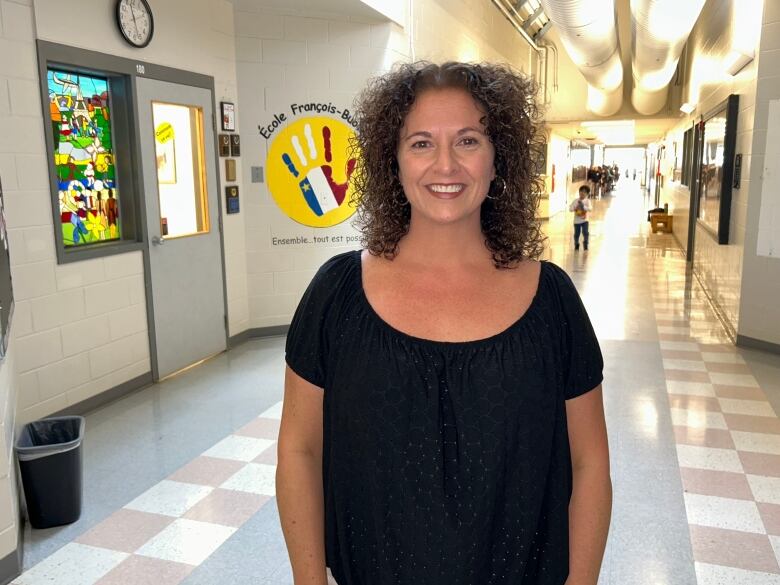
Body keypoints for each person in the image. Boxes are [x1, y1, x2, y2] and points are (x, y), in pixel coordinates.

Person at [277, 61, 611, 585]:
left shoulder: (552, 302)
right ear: (393, 160)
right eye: (421, 143)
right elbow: (299, 448)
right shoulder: (336, 294)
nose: (446, 165)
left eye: (469, 140)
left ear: (500, 158)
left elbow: (590, 463)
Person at [569, 185, 592, 251]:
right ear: (579, 192)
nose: (582, 193)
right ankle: (576, 244)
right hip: (577, 221)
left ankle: (585, 244)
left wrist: (583, 206)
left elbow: (590, 209)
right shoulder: (576, 201)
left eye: (584, 192)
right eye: (581, 191)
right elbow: (570, 209)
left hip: (585, 220)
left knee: (585, 232)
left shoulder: (587, 201)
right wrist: (574, 207)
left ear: (587, 194)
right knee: (576, 233)